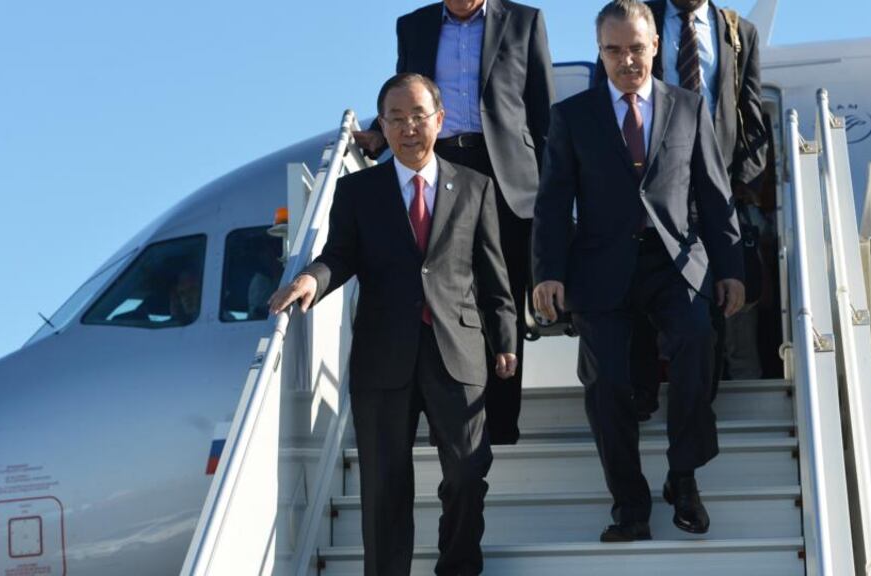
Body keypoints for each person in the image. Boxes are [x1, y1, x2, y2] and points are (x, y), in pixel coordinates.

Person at [270, 73, 517, 576]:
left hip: (458, 351)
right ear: (382, 126)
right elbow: (340, 255)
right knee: (384, 486)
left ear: (439, 120)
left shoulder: (475, 187)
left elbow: (494, 275)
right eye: (396, 119)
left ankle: (458, 565)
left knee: (468, 472)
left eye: (418, 116)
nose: (408, 128)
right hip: (383, 355)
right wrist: (311, 280)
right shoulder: (358, 191)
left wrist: (505, 339)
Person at [531, 0, 744, 542]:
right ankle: (630, 505)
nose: (626, 60)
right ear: (599, 51)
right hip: (601, 265)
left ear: (655, 46)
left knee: (697, 340)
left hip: (675, 260)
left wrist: (730, 268)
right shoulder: (572, 117)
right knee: (607, 383)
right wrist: (548, 272)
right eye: (613, 50)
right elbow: (552, 203)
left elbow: (714, 195)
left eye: (635, 48)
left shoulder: (688, 106)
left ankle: (684, 476)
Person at [353, 0, 554, 445]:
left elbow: (542, 113)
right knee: (446, 294)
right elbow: (405, 94)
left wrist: (552, 191)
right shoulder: (414, 26)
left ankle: (501, 424)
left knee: (503, 293)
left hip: (506, 175)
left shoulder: (524, 21)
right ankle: (453, 421)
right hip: (441, 167)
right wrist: (378, 134)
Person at [611, 0, 769, 416]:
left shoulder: (738, 33)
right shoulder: (636, 21)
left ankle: (699, 402)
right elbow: (610, 101)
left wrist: (740, 184)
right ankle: (643, 392)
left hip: (713, 188)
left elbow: (750, 112)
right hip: (655, 188)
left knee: (710, 300)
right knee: (643, 292)